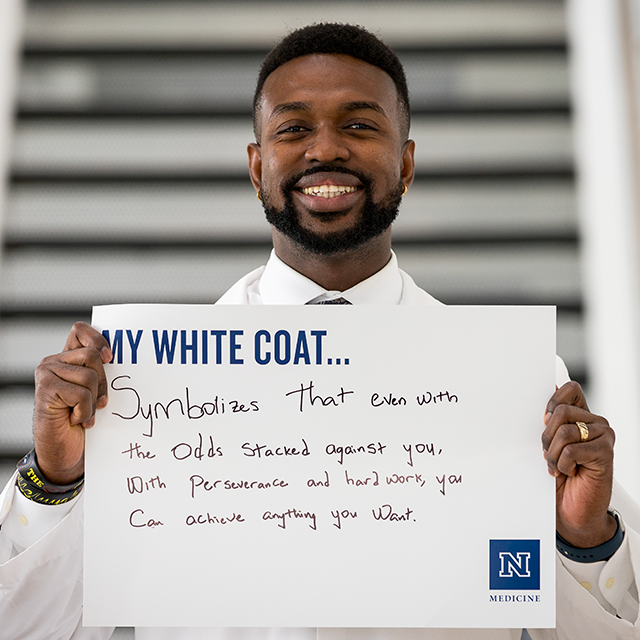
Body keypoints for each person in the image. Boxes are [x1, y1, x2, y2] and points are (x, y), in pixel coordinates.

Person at [0, 22, 639, 640]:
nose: (326, 148)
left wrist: (584, 538)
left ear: (407, 163)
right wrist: (55, 482)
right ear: (257, 169)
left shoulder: (523, 386)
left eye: (359, 125)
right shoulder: (135, 390)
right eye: (294, 128)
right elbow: (26, 630)